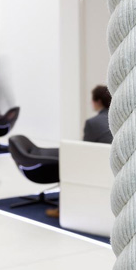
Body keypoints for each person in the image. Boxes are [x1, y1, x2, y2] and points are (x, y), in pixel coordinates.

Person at [47, 85, 113, 219]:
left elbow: (85, 150)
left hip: (101, 164)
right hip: (115, 163)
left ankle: (63, 209)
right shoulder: (120, 119)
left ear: (98, 101)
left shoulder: (92, 123)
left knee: (70, 167)